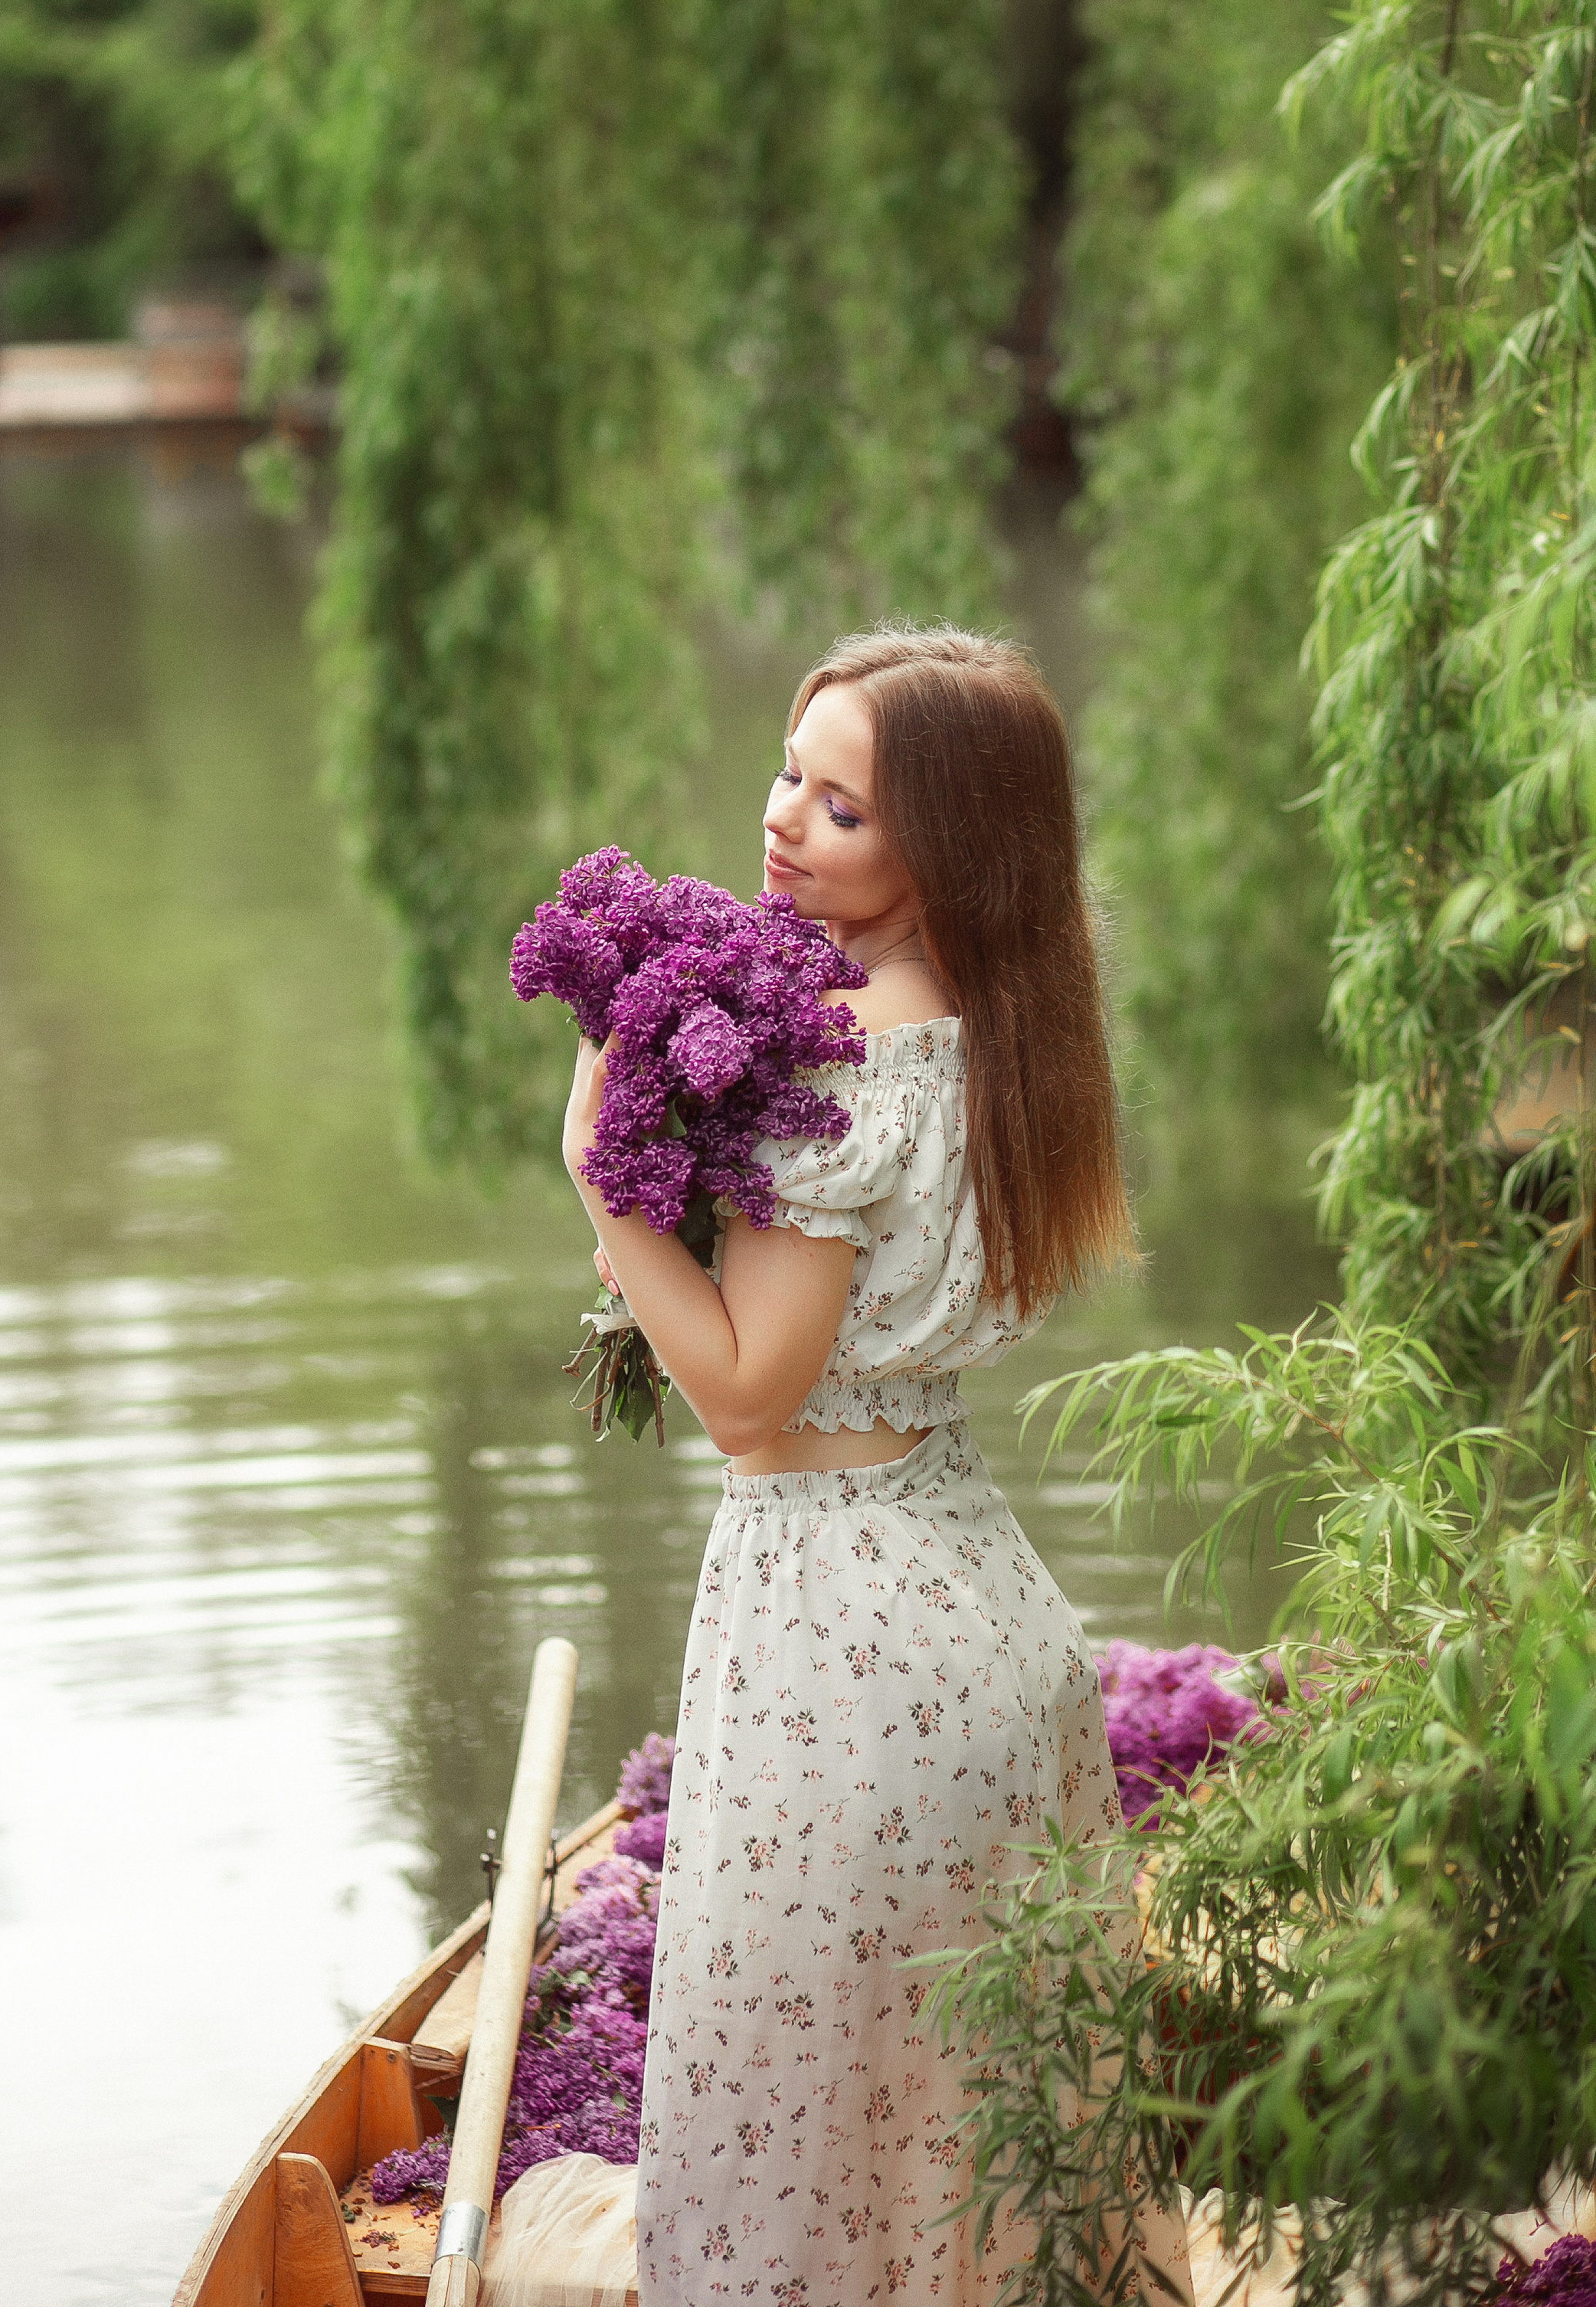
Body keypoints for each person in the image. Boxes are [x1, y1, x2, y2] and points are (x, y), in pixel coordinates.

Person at [561, 625, 1190, 2305]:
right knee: (971, 2149)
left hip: (841, 1651)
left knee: (804, 2148)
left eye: (839, 811)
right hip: (979, 1622)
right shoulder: (990, 1031)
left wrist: (604, 1178)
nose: (780, 824)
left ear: (943, 854)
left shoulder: (834, 1062)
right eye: (789, 774)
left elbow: (752, 1401)